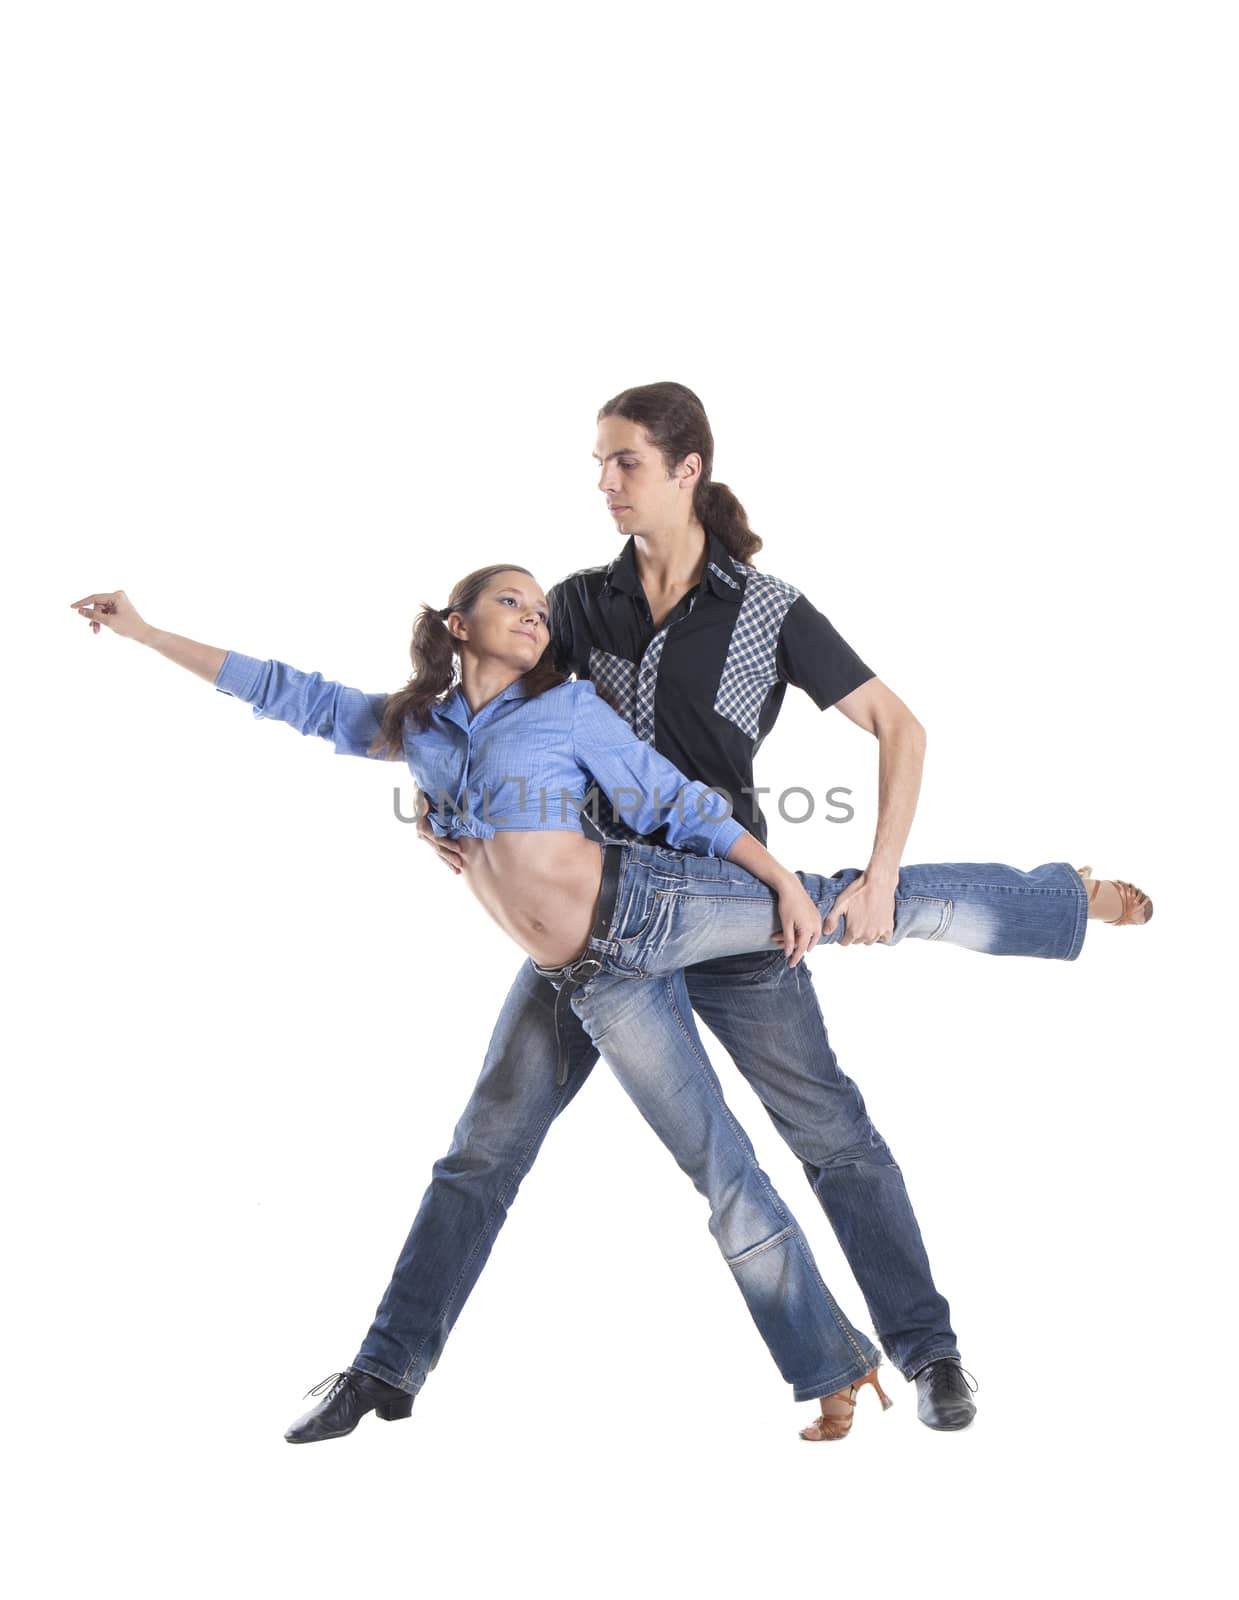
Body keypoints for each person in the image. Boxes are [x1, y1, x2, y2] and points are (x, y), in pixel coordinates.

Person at [69, 554, 1150, 1446]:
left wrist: (771, 875)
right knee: (644, 1163)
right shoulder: (428, 728)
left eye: (541, 607)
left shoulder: (570, 705)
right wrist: (149, 631)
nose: (537, 616)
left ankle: (1061, 900)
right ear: (456, 624)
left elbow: (667, 797)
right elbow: (288, 692)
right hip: (586, 978)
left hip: (657, 904)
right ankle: (390, 1369)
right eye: (512, 602)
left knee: (839, 908)